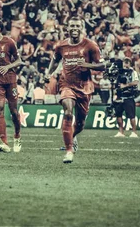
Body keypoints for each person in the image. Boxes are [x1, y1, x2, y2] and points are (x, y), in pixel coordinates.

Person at [44, 18, 105, 164]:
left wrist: (87, 64)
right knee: (68, 111)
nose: (74, 28)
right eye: (72, 25)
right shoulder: (61, 46)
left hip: (85, 87)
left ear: (82, 27)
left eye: (77, 25)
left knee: (80, 124)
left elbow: (102, 66)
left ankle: (72, 136)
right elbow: (55, 60)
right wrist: (48, 73)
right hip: (67, 85)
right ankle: (69, 151)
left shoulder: (90, 45)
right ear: (68, 28)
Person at [0, 19, 24, 153]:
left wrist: (8, 67)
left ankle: (17, 136)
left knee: (14, 112)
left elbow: (19, 61)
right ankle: (4, 143)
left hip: (10, 81)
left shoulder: (9, 42)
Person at [113, 57, 140, 138]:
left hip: (129, 96)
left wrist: (125, 85)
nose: (126, 64)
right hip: (120, 96)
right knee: (118, 115)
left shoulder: (133, 72)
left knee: (131, 115)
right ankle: (121, 132)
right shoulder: (119, 72)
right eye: (125, 62)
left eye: (128, 62)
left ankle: (134, 132)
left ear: (130, 63)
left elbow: (136, 82)